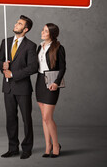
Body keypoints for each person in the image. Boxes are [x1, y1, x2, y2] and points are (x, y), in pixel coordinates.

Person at [0, 15, 38, 159]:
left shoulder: (31, 46)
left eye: (19, 23)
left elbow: (33, 67)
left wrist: (13, 73)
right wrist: (3, 66)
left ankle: (27, 149)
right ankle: (12, 148)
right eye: (16, 22)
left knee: (26, 119)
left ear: (25, 29)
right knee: (10, 119)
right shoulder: (5, 42)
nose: (16, 24)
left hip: (23, 88)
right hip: (8, 88)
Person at [35, 23, 66, 158]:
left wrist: (56, 83)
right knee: (43, 118)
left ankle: (56, 145)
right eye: (43, 29)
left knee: (48, 117)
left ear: (52, 34)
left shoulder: (58, 47)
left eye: (46, 31)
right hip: (40, 81)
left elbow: (63, 68)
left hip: (52, 81)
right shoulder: (39, 47)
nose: (42, 32)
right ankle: (47, 146)